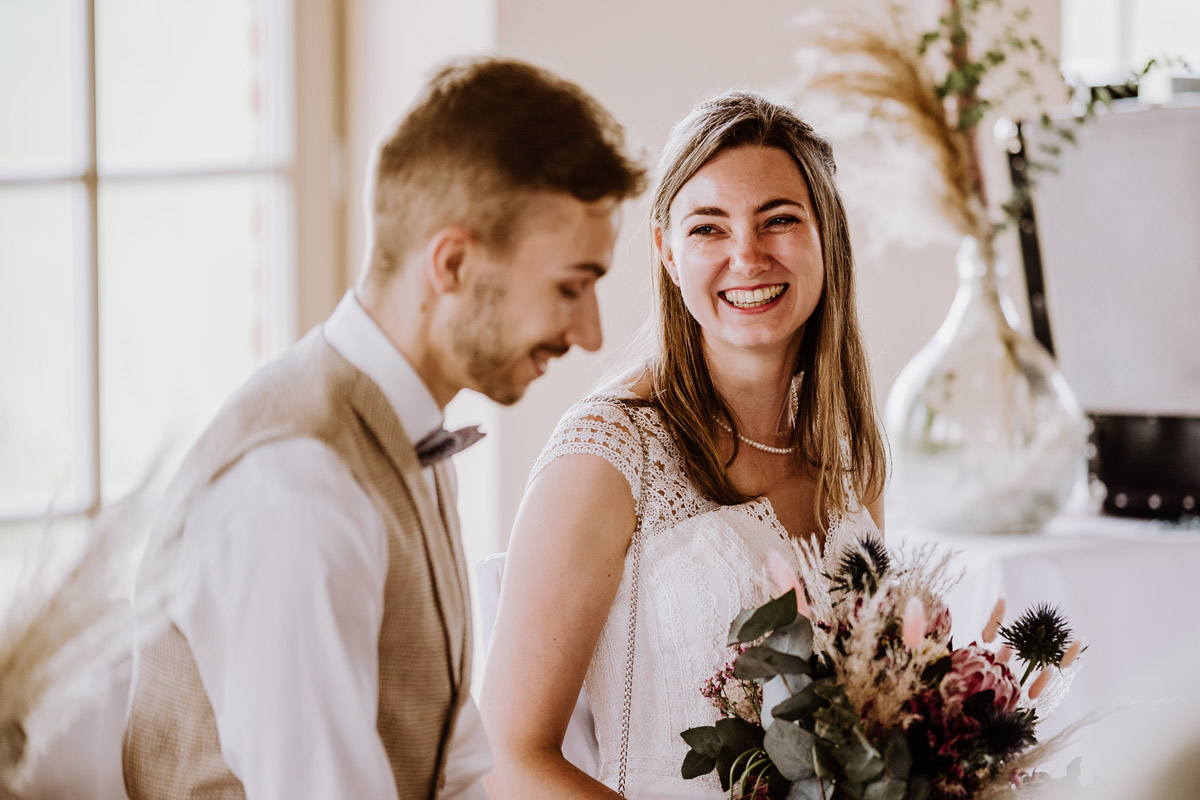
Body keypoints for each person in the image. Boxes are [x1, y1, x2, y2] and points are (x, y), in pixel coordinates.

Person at [121, 56, 645, 800]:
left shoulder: (407, 436)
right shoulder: (298, 491)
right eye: (571, 286)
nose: (591, 334)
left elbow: (455, 769)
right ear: (454, 262)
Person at [479, 91, 887, 799]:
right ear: (667, 253)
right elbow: (509, 758)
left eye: (780, 220)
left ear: (829, 236)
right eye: (708, 228)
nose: (747, 256)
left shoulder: (846, 450)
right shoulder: (606, 454)